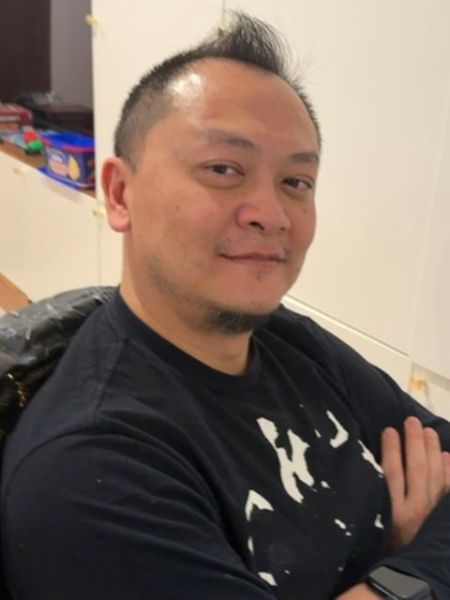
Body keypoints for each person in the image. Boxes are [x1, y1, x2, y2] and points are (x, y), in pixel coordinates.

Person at [1, 12, 450, 600]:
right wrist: (396, 572)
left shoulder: (290, 340)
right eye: (223, 169)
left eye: (296, 182)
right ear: (120, 193)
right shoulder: (88, 472)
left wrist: (402, 570)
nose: (272, 213)